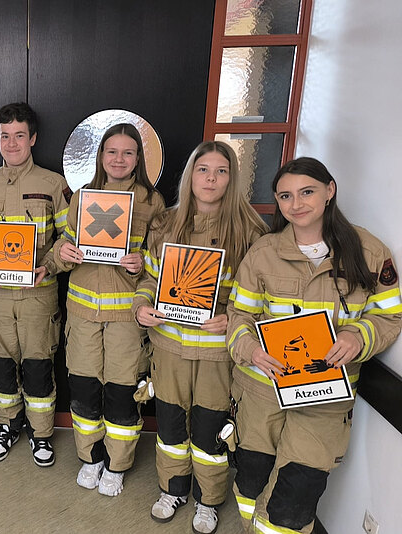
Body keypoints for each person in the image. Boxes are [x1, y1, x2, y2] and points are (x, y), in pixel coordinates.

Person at [227, 157, 402, 533]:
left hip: (324, 400)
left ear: (329, 191)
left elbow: (389, 317)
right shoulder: (263, 252)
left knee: (293, 501)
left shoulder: (370, 253)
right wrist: (250, 349)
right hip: (260, 392)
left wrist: (358, 336)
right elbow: (239, 314)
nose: (296, 204)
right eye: (285, 196)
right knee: (251, 483)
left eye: (307, 192)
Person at [133, 141, 267, 533]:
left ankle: (207, 500)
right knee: (171, 426)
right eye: (203, 170)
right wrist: (141, 306)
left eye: (221, 171)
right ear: (190, 175)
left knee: (210, 430)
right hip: (168, 347)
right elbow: (149, 278)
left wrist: (230, 318)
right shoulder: (165, 224)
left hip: (216, 354)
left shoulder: (251, 231)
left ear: (232, 178)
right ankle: (172, 488)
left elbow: (262, 298)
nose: (210, 179)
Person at [53, 123, 164, 496]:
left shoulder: (152, 202)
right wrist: (63, 253)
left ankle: (117, 465)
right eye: (112, 151)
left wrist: (140, 263)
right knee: (84, 388)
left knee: (121, 391)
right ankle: (91, 458)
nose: (119, 159)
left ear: (138, 158)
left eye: (128, 152)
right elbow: (65, 245)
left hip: (126, 318)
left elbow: (159, 262)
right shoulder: (82, 196)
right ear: (101, 155)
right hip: (82, 313)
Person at [0, 103, 71, 467]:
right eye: (5, 136)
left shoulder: (53, 183)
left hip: (38, 296)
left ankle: (41, 433)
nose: (11, 143)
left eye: (19, 135)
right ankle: (8, 425)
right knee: (0, 366)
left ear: (33, 138)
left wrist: (49, 265)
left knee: (38, 366)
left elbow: (69, 236)